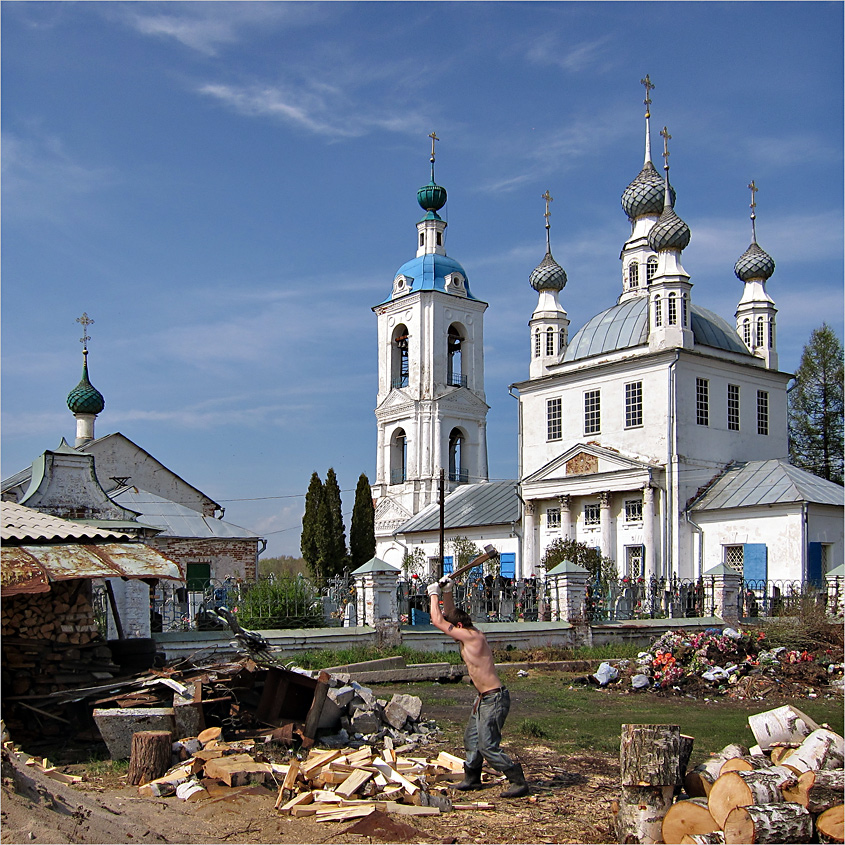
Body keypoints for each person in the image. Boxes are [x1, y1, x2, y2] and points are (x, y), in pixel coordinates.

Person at [427, 579, 529, 798]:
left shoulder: (473, 637)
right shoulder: (468, 632)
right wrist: (447, 591)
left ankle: (517, 779)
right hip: (483, 698)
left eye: (453, 627)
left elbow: (437, 620)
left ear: (460, 628)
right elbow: (450, 615)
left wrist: (432, 594)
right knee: (471, 739)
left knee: (487, 745)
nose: (451, 630)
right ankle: (472, 778)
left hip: (495, 699)